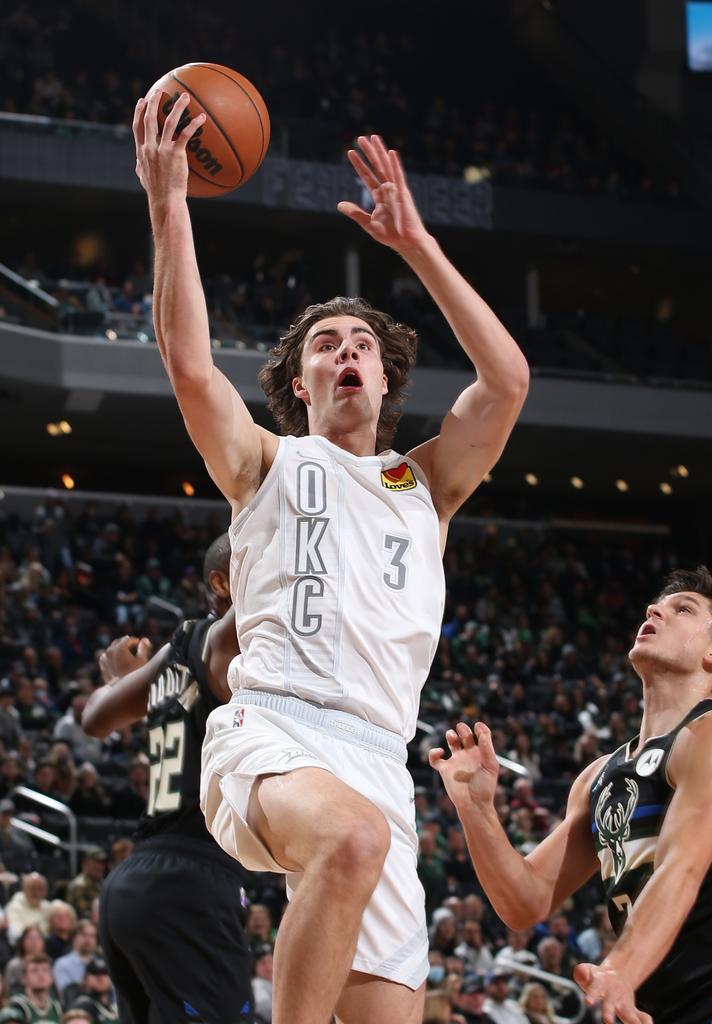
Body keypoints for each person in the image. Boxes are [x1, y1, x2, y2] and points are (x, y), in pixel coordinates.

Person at [132, 85, 529, 1024]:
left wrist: (416, 248)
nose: (345, 351)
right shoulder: (266, 460)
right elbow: (190, 366)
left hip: (379, 763)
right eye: (325, 344)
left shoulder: (423, 483)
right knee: (347, 838)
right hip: (272, 730)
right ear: (300, 380)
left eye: (362, 343)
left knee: (368, 885)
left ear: (386, 377)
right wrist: (168, 206)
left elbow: (506, 380)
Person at [430, 566, 712, 1024]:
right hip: (653, 1001)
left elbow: (683, 865)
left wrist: (619, 970)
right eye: (657, 605)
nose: (654, 610)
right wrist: (475, 809)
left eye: (682, 609)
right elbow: (525, 902)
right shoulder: (599, 775)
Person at [82, 534, 253, 1024]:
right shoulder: (222, 641)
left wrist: (119, 682)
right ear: (222, 583)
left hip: (137, 883)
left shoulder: (176, 654)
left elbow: (96, 717)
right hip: (191, 882)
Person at [3, 953, 62, 1023]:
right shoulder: (17, 1005)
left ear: (52, 978)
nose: (41, 974)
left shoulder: (56, 1007)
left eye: (45, 970)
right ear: (24, 978)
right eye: (34, 971)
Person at [66, 958, 117, 1023]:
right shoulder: (82, 1005)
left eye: (104, 973)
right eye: (95, 973)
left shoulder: (114, 1007)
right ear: (85, 978)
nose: (100, 978)